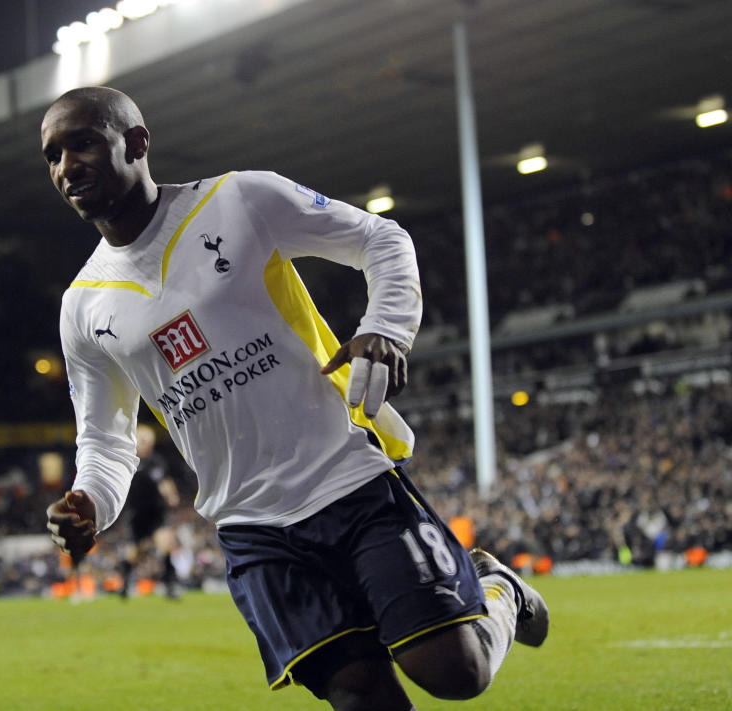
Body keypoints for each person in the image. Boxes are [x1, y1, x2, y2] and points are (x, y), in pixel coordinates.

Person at [44, 86, 548, 710]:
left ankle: (497, 589)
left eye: (82, 142)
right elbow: (105, 440)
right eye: (53, 156)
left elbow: (382, 241)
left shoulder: (239, 199)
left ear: (137, 142)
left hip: (346, 477)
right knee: (360, 697)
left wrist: (387, 328)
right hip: (251, 526)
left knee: (455, 673)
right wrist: (91, 500)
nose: (66, 166)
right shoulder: (83, 306)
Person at [116, 423, 181, 599]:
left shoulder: (157, 461)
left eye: (149, 441)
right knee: (133, 552)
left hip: (156, 512)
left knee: (165, 543)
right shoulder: (127, 461)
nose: (147, 444)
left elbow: (165, 481)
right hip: (136, 514)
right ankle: (125, 584)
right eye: (143, 440)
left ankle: (170, 584)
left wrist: (172, 495)